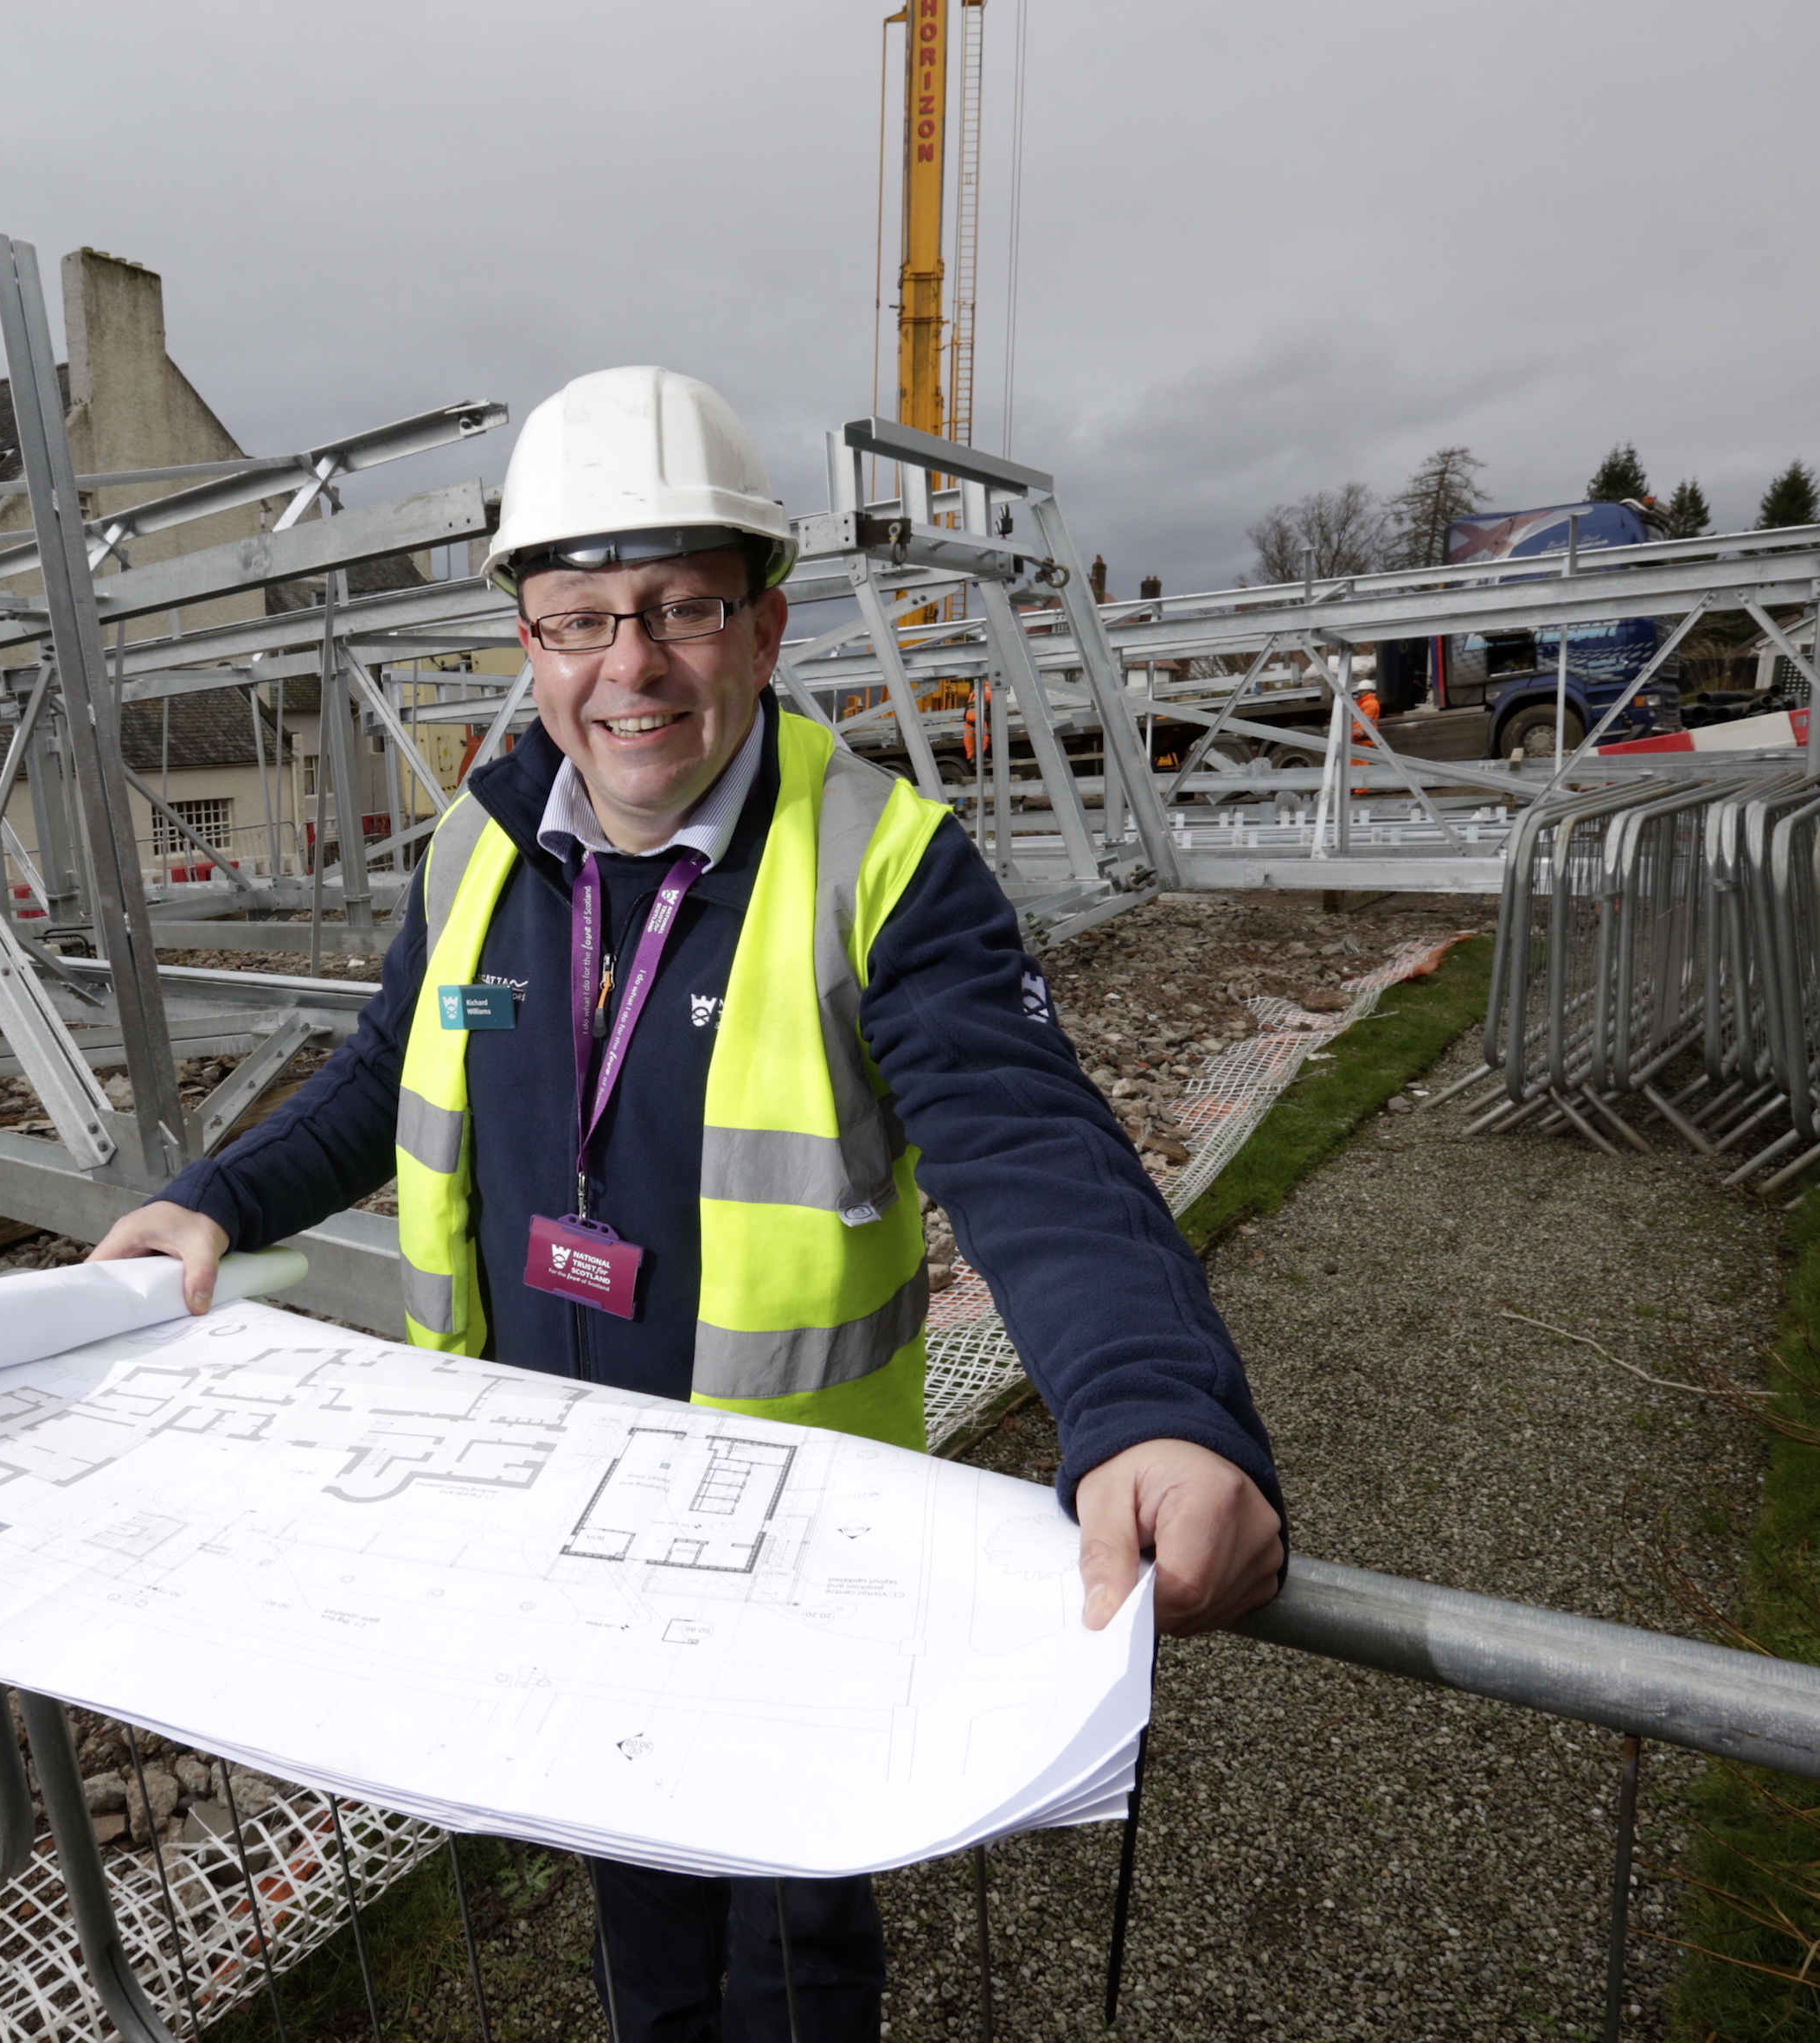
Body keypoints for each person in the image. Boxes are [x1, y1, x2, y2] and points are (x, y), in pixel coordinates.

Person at [92, 365, 1285, 2042]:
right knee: (635, 1886)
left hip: (783, 1534)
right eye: (579, 617)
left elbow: (1031, 1149)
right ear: (528, 638)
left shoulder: (881, 861)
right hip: (550, 1509)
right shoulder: (479, 846)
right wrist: (212, 1196)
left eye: (677, 609)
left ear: (762, 624)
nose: (628, 666)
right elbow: (381, 1076)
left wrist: (1154, 1407)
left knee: (795, 1937)